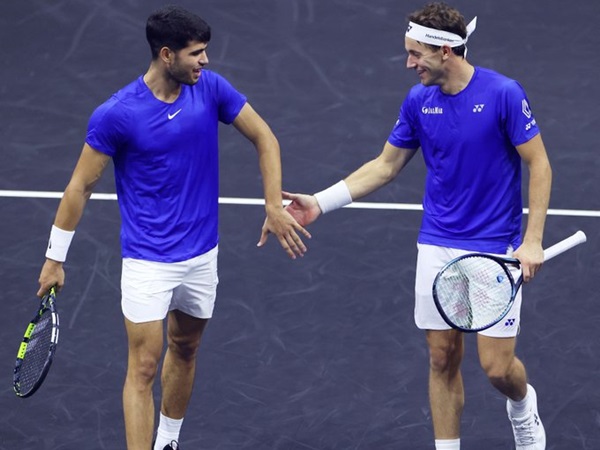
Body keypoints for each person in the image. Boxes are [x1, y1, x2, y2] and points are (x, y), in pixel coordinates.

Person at [36, 5, 310, 450]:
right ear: (167, 55)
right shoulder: (117, 114)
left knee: (185, 348)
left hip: (202, 256)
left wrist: (273, 204)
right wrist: (54, 259)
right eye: (196, 53)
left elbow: (265, 137)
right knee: (143, 368)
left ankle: (168, 440)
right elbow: (79, 188)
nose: (205, 61)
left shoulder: (212, 89)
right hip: (148, 262)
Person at [283, 2, 551, 449]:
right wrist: (320, 203)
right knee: (442, 357)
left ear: (446, 52)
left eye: (415, 54)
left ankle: (523, 406)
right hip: (438, 244)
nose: (409, 64)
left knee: (498, 369)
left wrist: (533, 240)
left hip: (494, 248)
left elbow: (539, 164)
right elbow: (385, 166)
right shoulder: (418, 101)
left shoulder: (504, 93)